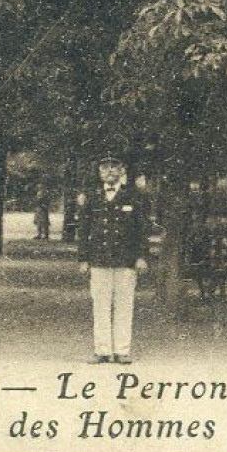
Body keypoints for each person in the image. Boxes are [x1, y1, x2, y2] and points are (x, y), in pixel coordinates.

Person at [76, 153, 151, 364]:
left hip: (126, 259)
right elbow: (84, 230)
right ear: (99, 173)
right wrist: (83, 259)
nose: (109, 170)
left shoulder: (134, 197)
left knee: (124, 305)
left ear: (121, 171)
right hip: (99, 259)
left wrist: (141, 256)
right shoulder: (91, 197)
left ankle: (122, 350)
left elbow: (141, 230)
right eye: (105, 167)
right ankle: (102, 350)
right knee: (100, 304)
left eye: (114, 166)